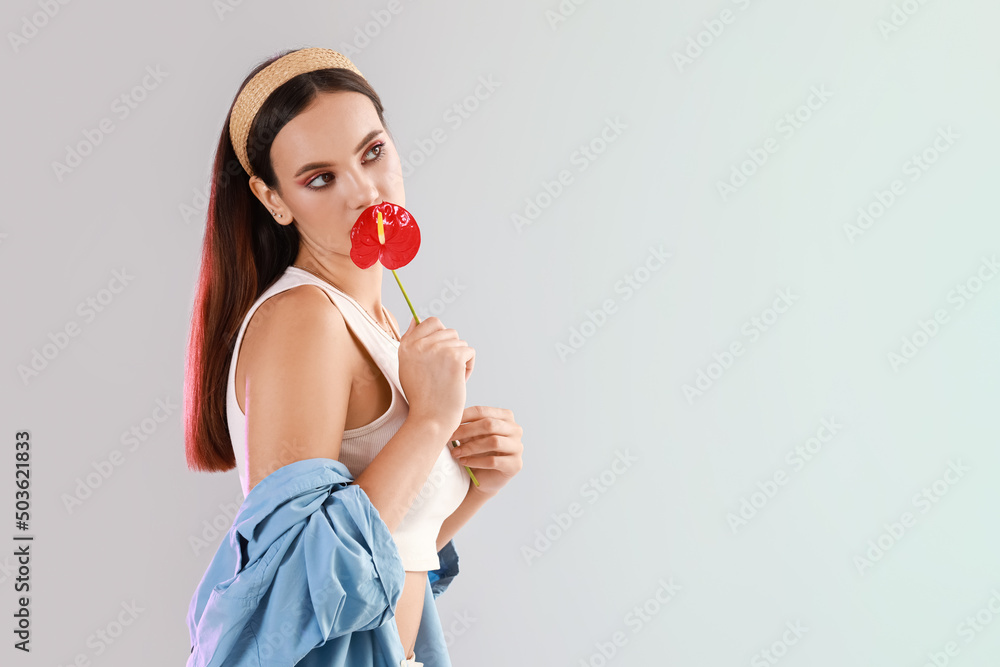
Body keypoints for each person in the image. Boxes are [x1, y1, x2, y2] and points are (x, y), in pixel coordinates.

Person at [182, 47, 524, 666]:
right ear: (273, 199)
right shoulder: (304, 320)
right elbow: (294, 588)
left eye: (373, 152)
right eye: (320, 177)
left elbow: (382, 554)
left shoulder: (380, 322)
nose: (365, 192)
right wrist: (428, 422)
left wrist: (479, 486)